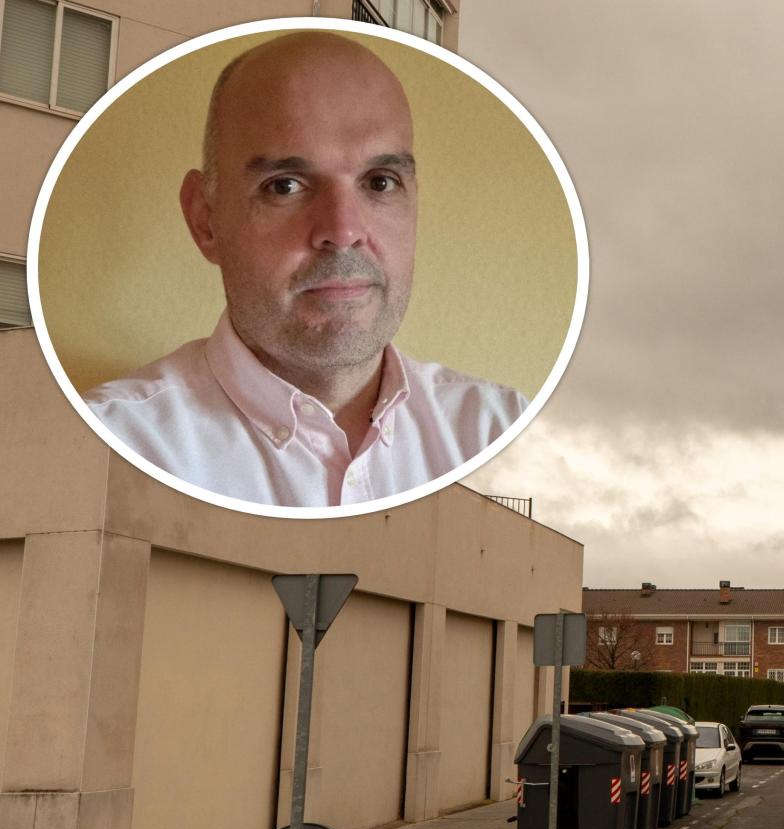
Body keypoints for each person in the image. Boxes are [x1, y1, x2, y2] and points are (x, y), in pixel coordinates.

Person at [82, 32, 526, 508]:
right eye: (285, 186)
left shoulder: (504, 434)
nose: (343, 230)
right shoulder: (106, 446)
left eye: (380, 182)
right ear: (205, 220)